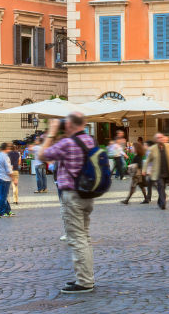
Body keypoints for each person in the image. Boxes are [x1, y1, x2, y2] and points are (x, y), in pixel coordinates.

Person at [34, 112, 98, 294]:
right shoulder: (89, 140)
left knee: (77, 238)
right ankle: (86, 277)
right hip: (87, 194)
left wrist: (52, 133)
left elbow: (42, 155)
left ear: (69, 125)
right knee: (84, 237)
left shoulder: (67, 143)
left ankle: (84, 281)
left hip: (72, 195)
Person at [146, 134, 169, 210]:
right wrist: (146, 170)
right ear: (156, 140)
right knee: (160, 186)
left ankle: (160, 200)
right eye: (159, 138)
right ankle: (163, 203)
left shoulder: (168, 146)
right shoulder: (153, 149)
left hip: (167, 171)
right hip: (158, 172)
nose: (161, 139)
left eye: (162, 138)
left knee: (163, 187)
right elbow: (148, 160)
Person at [0, 143, 14, 217]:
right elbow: (8, 169)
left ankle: (8, 211)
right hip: (5, 178)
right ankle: (0, 212)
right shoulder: (5, 157)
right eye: (9, 148)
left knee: (2, 194)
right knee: (3, 196)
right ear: (6, 148)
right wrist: (13, 178)